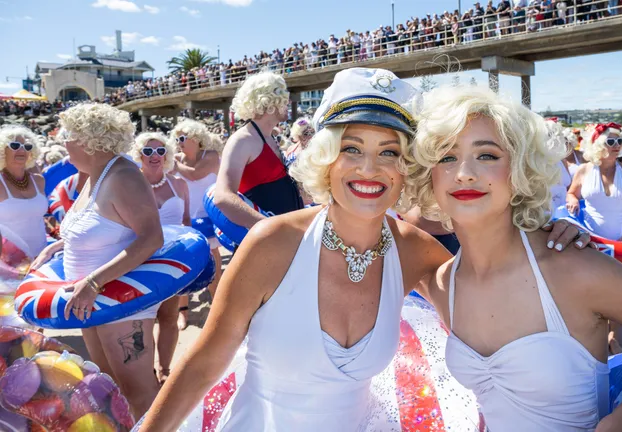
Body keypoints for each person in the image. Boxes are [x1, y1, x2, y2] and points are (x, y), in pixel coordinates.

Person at [139, 68, 588, 432]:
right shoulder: (272, 243)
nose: (370, 169)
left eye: (390, 152)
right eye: (351, 148)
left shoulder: (415, 251)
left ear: (407, 166)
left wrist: (541, 230)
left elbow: (493, 297)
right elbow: (202, 366)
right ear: (326, 157)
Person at [408, 86, 622, 431]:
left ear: (520, 170)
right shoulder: (442, 281)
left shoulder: (571, 268)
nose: (465, 172)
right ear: (429, 175)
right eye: (446, 157)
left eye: (487, 155)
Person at [29, 103, 164, 419]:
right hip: (92, 301)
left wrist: (92, 282)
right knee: (111, 385)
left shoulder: (124, 176)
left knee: (139, 391)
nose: (63, 142)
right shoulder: (94, 175)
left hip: (120, 300)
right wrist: (60, 246)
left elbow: (151, 238)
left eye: (68, 136)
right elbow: (104, 227)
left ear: (88, 140)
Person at [213, 71, 304, 239]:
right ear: (270, 101)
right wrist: (269, 228)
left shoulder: (270, 137)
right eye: (284, 98)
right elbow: (223, 196)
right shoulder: (242, 140)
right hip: (266, 243)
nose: (288, 103)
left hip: (287, 236)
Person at [131, 132, 191, 385]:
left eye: (159, 151)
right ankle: (143, 371)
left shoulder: (179, 183)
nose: (154, 156)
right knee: (142, 321)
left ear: (166, 154)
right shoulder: (129, 185)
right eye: (147, 151)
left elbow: (186, 223)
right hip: (138, 260)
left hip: (172, 261)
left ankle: (164, 368)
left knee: (168, 316)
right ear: (139, 155)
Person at [170, 120, 222, 330]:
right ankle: (183, 311)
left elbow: (194, 173)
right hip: (184, 220)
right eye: (177, 139)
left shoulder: (210, 156)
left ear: (196, 138)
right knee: (184, 267)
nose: (179, 143)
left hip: (209, 219)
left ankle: (218, 308)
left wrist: (174, 165)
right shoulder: (175, 159)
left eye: (183, 138)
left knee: (214, 265)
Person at [0, 125, 47, 259]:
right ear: (3, 150)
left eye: (27, 146)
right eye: (15, 145)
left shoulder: (39, 181)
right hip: (8, 264)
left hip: (41, 259)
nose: (22, 150)